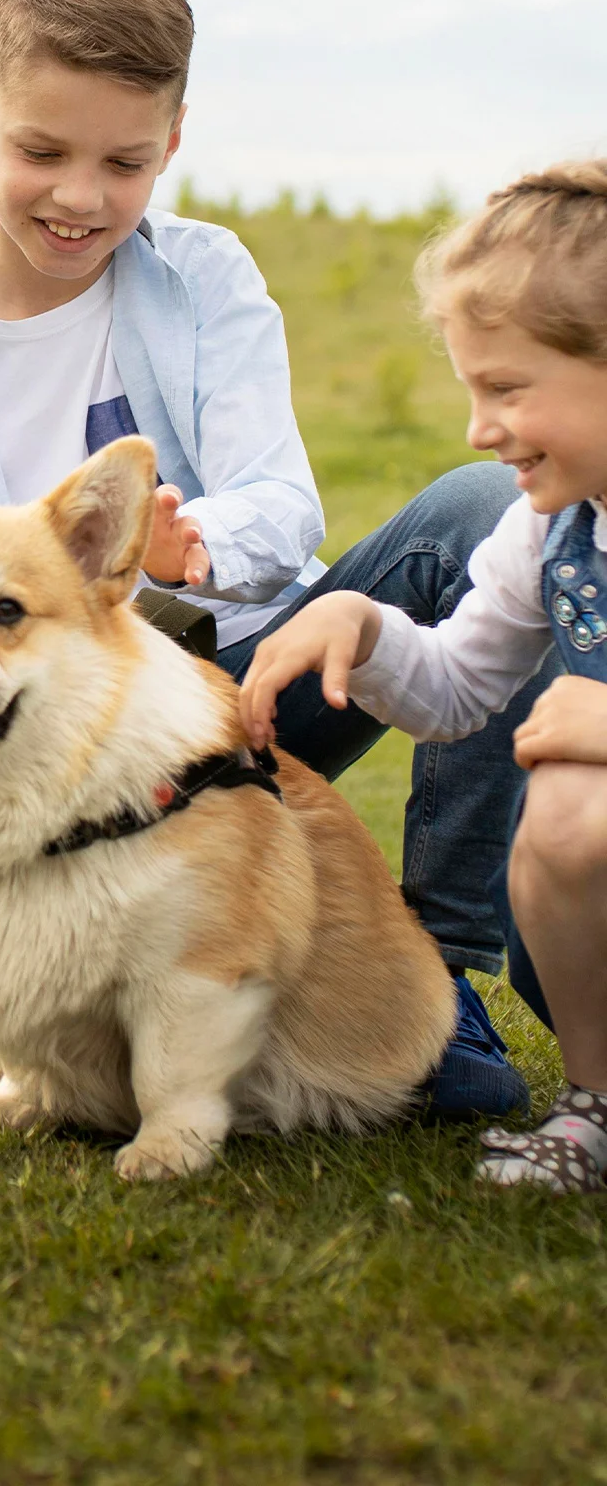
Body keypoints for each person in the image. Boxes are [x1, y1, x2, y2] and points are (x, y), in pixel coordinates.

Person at [0, 0, 550, 1117]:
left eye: (125, 161)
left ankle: (437, 959)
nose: (80, 197)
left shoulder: (206, 276)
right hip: (54, 718)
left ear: (171, 143)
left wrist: (184, 547)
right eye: (40, 151)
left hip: (250, 678)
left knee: (475, 516)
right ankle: (27, 999)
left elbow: (280, 498)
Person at [242, 162, 607, 1191]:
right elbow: (454, 691)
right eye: (468, 389)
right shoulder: (550, 532)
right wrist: (362, 622)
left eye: (506, 389)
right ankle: (594, 1106)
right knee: (566, 820)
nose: (478, 431)